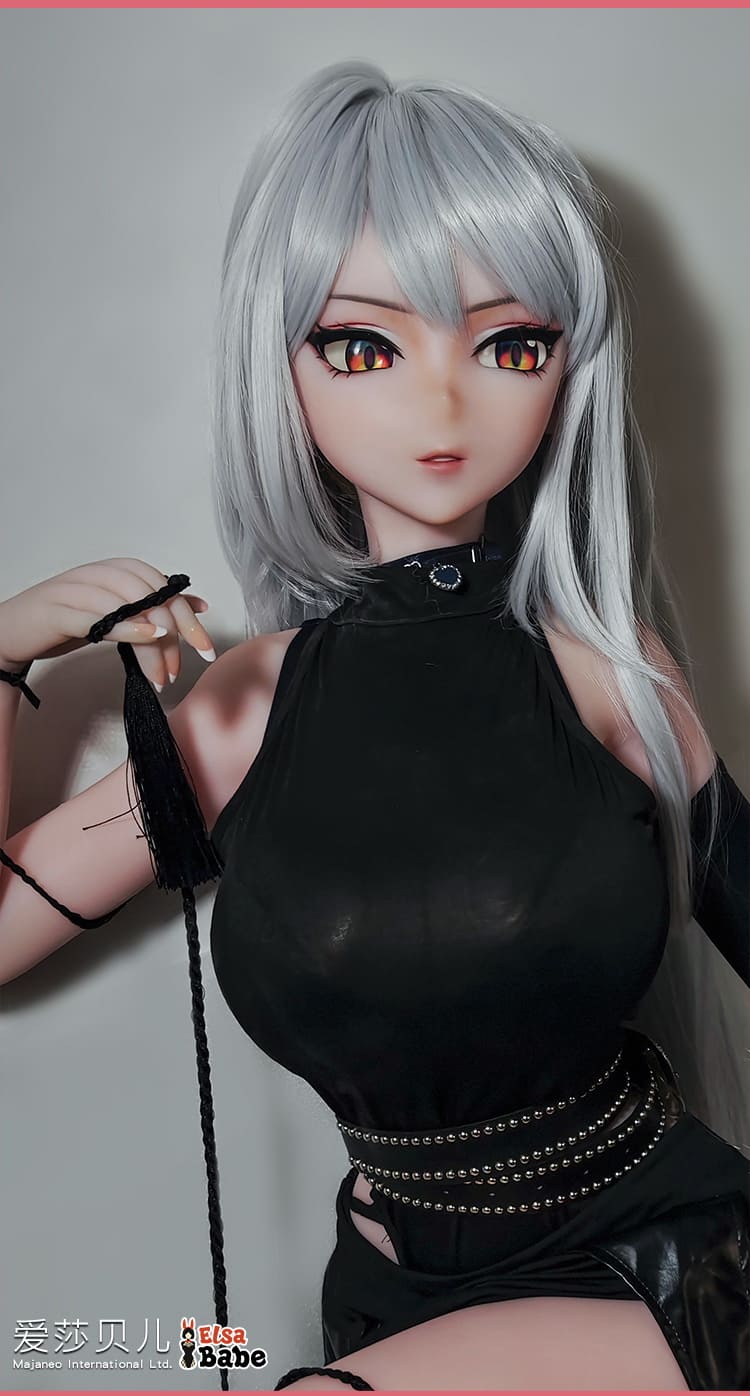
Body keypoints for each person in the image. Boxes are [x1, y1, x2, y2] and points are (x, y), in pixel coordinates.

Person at [1, 60, 748, 1392]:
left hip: (675, 1271)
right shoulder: (243, 710)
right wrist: (0, 662)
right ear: (279, 366)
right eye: (363, 345)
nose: (442, 406)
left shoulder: (606, 672)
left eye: (511, 344)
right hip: (387, 1294)